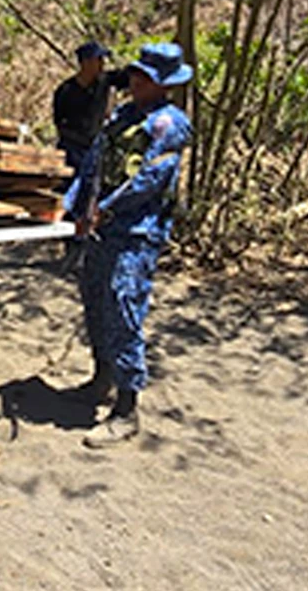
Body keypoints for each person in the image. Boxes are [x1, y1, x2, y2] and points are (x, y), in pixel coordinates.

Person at [64, 42, 193, 447]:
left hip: (136, 232)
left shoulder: (169, 124)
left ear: (164, 84)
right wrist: (72, 205)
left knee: (123, 307)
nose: (135, 81)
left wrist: (104, 209)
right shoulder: (123, 116)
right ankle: (101, 378)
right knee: (95, 301)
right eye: (135, 74)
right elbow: (93, 162)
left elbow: (148, 180)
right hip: (100, 229)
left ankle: (126, 408)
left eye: (146, 77)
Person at [52, 41, 129, 183]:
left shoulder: (105, 81)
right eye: (98, 60)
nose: (102, 64)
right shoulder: (66, 91)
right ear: (86, 63)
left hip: (95, 147)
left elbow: (128, 77)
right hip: (72, 148)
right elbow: (59, 122)